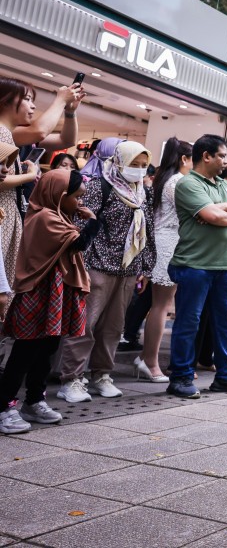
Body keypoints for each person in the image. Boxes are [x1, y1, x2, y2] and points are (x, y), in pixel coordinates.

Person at [57, 141, 155, 402]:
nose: (139, 170)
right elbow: (81, 224)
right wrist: (81, 265)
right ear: (119, 161)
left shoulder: (143, 193)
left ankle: (102, 374)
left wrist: (145, 266)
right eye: (135, 164)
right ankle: (72, 379)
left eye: (144, 165)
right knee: (85, 324)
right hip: (97, 265)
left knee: (114, 327)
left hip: (128, 268)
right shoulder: (100, 186)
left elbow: (148, 231)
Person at [0, 170, 96, 434]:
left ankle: (34, 400)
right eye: (76, 198)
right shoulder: (45, 217)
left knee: (47, 348)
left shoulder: (61, 215)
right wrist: (93, 221)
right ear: (60, 195)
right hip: (39, 292)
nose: (80, 203)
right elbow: (78, 243)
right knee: (25, 352)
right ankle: (4, 406)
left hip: (56, 292)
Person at [165, 134, 227, 399]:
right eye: (222, 156)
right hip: (194, 264)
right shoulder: (187, 184)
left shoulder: (223, 184)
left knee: (226, 322)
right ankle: (181, 377)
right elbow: (212, 215)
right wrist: (226, 211)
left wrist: (223, 210)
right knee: (188, 323)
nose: (225, 162)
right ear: (206, 156)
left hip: (224, 266)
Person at [0, 77, 84, 305]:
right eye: (27, 99)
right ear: (6, 101)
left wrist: (70, 111)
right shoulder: (5, 132)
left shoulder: (13, 134)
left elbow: (67, 139)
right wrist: (60, 99)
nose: (33, 106)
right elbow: (39, 131)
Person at [131, 137, 192, 383]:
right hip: (170, 245)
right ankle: (149, 361)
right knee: (162, 306)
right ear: (185, 159)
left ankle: (148, 358)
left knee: (160, 305)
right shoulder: (178, 181)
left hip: (165, 243)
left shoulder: (164, 179)